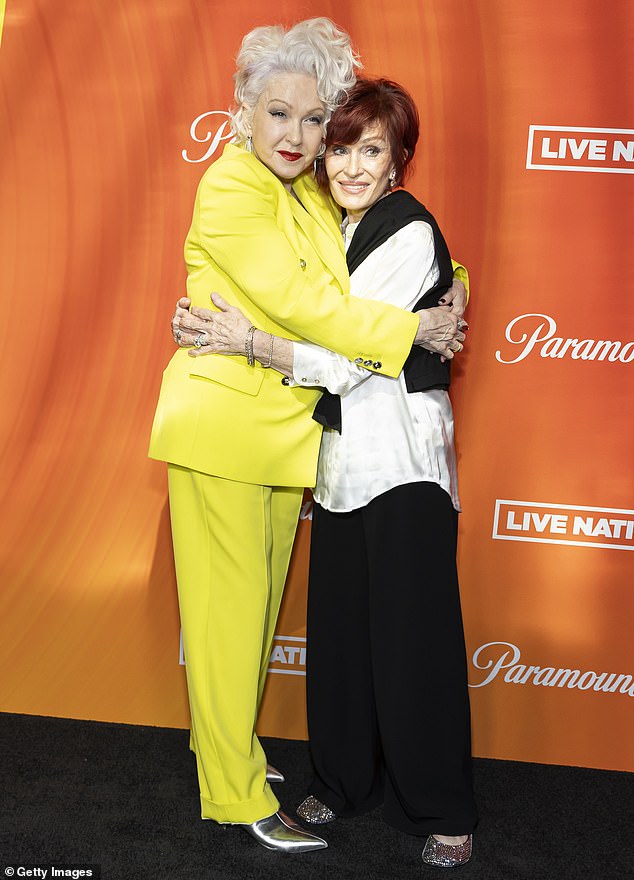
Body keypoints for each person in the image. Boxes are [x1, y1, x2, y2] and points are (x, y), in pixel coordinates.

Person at [150, 20, 466, 855]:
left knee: (248, 623)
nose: (296, 136)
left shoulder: (302, 192)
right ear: (242, 112)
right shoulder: (232, 189)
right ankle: (232, 794)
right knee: (224, 623)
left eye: (311, 120)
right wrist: (413, 333)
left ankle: (230, 750)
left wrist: (453, 287)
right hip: (224, 428)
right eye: (278, 114)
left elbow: (380, 253)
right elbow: (308, 306)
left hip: (287, 440)